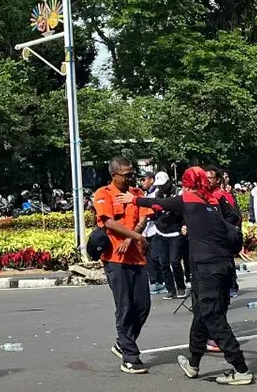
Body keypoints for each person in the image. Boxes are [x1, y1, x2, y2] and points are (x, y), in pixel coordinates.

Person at [121, 167, 253, 386]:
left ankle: (241, 369)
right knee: (201, 313)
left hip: (207, 268)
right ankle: (193, 363)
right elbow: (232, 217)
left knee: (213, 317)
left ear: (187, 183)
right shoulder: (213, 200)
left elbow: (159, 204)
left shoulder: (188, 198)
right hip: (221, 265)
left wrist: (133, 200)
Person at [94, 157, 152, 374]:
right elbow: (108, 222)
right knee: (125, 306)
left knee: (143, 306)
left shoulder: (137, 194)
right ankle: (130, 356)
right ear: (114, 175)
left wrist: (132, 238)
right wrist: (132, 236)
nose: (130, 177)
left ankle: (122, 342)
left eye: (131, 173)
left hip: (137, 257)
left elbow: (143, 217)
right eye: (126, 174)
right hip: (114, 259)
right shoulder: (103, 194)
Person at [150, 172, 187, 300]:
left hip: (175, 232)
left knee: (175, 261)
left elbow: (185, 211)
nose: (160, 188)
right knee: (163, 262)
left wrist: (184, 224)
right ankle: (170, 289)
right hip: (161, 232)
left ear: (168, 183)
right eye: (159, 186)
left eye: (163, 185)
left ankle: (181, 287)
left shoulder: (178, 193)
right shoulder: (157, 194)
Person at [206, 167, 241, 299]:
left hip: (223, 234)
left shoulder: (221, 195)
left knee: (227, 260)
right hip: (211, 237)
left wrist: (222, 226)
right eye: (205, 178)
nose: (207, 181)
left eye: (210, 178)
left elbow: (234, 216)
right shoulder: (205, 195)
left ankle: (232, 285)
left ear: (218, 179)